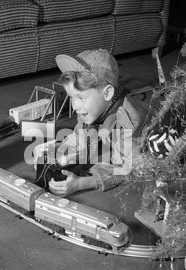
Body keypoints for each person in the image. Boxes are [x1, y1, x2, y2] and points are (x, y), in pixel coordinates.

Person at [33, 49, 151, 196]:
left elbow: (126, 168)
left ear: (107, 93)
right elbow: (80, 136)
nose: (75, 106)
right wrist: (59, 151)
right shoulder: (88, 110)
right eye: (71, 97)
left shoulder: (129, 123)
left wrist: (82, 183)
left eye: (81, 98)